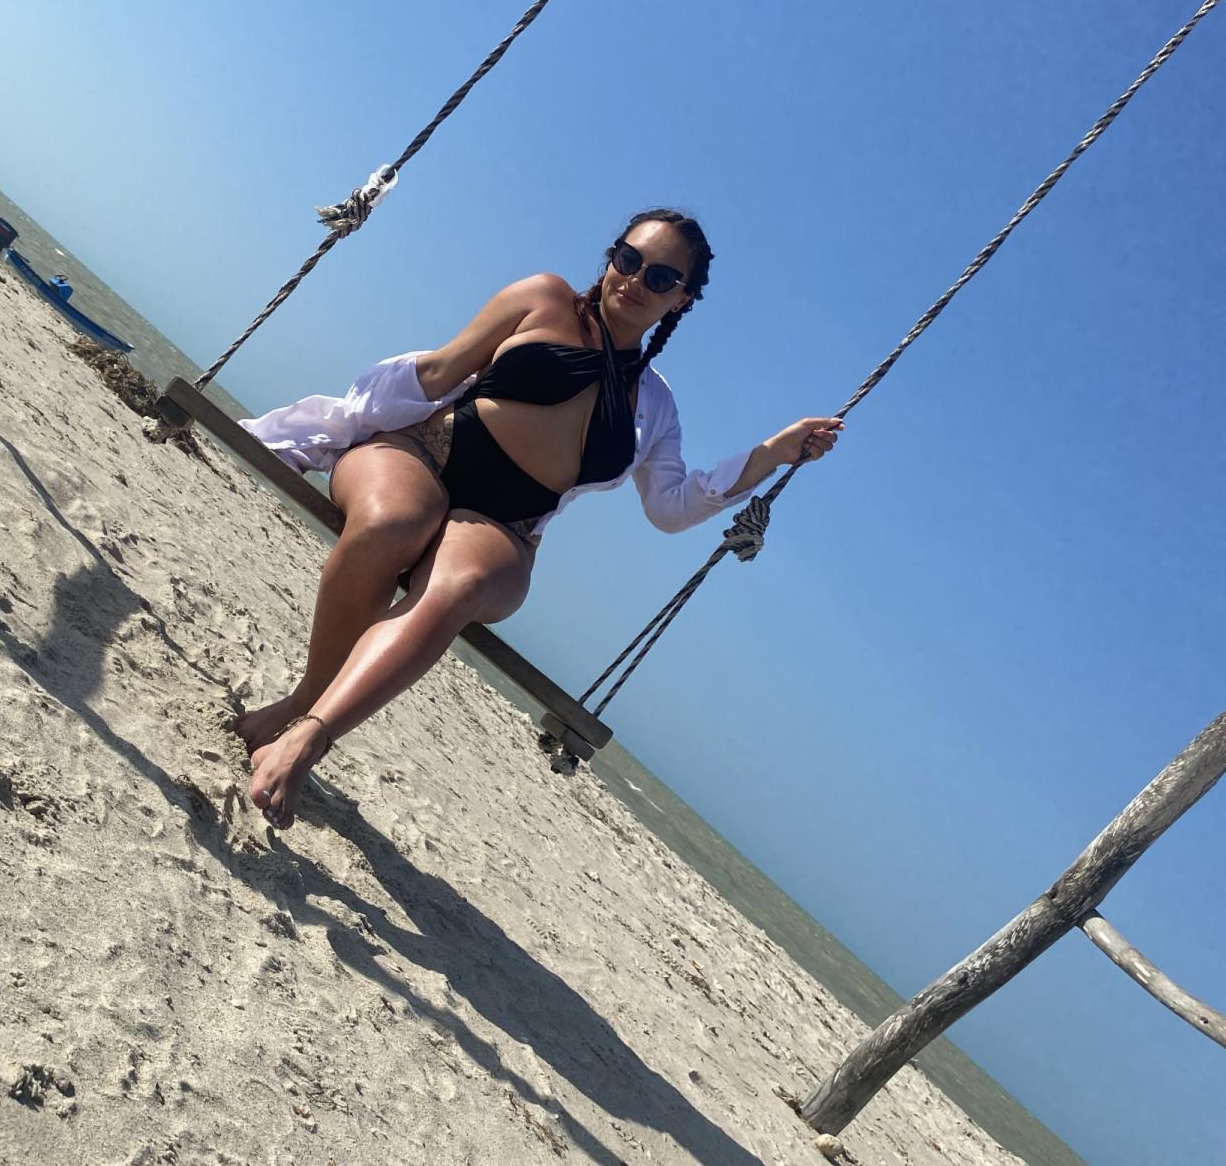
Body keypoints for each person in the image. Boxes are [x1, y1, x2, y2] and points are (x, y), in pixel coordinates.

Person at [233, 209, 842, 827]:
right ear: (612, 256)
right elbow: (440, 372)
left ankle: (310, 736)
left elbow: (671, 507)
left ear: (681, 299)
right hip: (421, 455)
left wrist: (772, 454)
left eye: (660, 277)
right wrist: (339, 427)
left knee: (460, 586)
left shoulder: (656, 405)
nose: (634, 280)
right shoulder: (543, 298)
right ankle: (304, 701)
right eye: (628, 259)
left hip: (505, 525)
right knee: (394, 524)